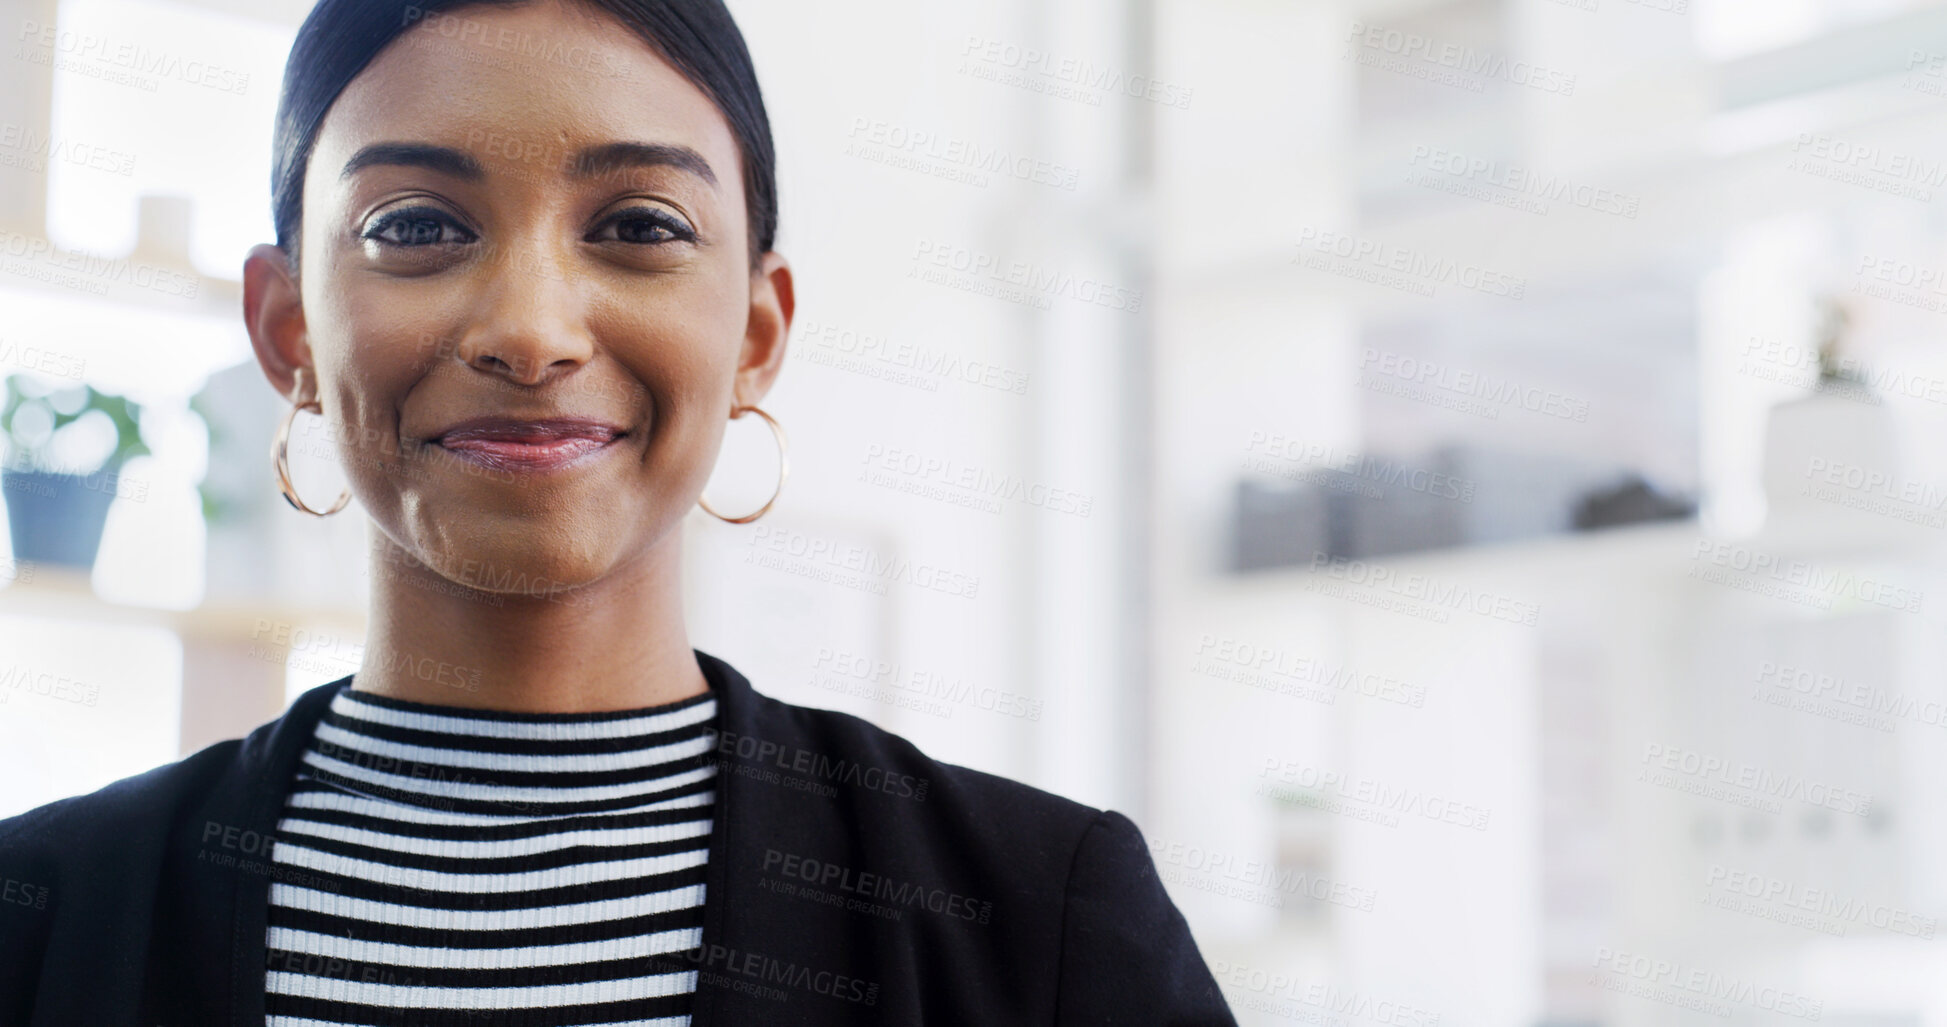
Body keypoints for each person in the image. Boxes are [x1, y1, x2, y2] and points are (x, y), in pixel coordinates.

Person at [0, 0, 1237, 1023]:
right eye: (414, 226)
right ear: (289, 331)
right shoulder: (39, 916)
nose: (530, 332)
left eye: (640, 225)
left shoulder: (1044, 919)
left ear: (756, 333)